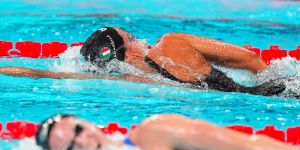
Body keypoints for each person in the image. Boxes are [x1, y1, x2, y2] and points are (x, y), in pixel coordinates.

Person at [0, 27, 287, 96]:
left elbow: (45, 75)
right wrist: (269, 81)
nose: (142, 41)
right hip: (280, 90)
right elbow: (251, 58)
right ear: (131, 48)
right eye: (134, 37)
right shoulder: (172, 44)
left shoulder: (126, 79)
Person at [36, 113, 300, 150]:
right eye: (71, 147)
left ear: (89, 121)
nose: (83, 141)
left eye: (79, 129)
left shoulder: (154, 131)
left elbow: (245, 147)